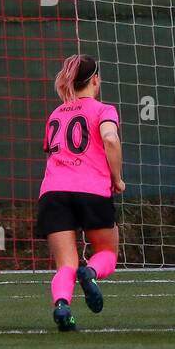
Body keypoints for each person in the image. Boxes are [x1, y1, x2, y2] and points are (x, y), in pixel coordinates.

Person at [36, 54, 124, 332]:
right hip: (91, 190)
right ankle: (91, 272)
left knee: (65, 264)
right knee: (107, 252)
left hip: (53, 191)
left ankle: (62, 305)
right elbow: (110, 139)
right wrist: (117, 179)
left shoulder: (55, 113)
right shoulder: (103, 109)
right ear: (95, 80)